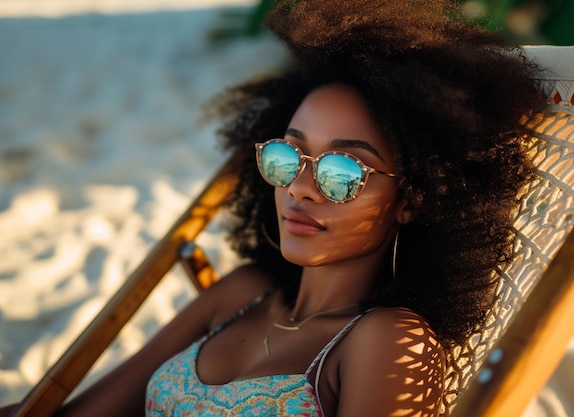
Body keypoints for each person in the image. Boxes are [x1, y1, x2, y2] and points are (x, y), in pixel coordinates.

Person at [0, 0, 545, 416]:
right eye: (288, 156)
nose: (300, 188)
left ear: (413, 199)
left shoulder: (387, 340)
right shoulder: (243, 293)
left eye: (341, 172)